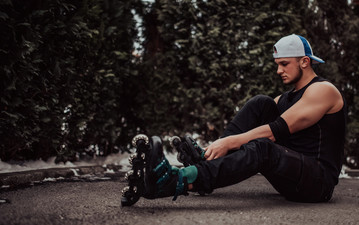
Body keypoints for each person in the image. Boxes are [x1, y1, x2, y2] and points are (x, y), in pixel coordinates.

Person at [141, 34, 346, 203]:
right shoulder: (284, 99)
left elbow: (277, 130)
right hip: (290, 175)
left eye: (284, 64)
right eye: (277, 64)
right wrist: (220, 148)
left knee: (263, 146)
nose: (278, 71)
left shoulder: (323, 90)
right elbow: (262, 124)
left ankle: (177, 180)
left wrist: (228, 142)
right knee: (260, 103)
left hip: (318, 184)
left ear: (304, 61)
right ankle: (206, 161)